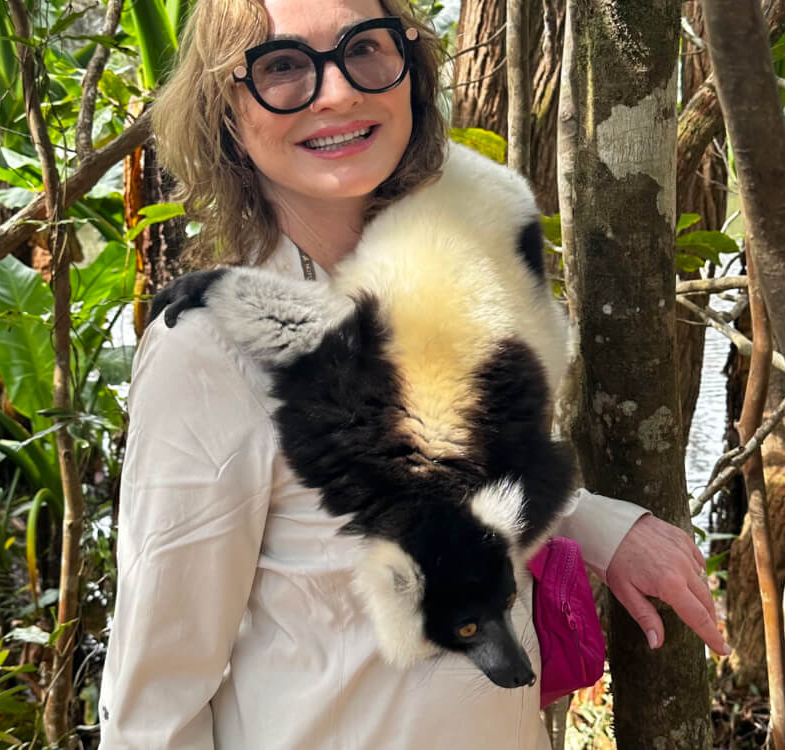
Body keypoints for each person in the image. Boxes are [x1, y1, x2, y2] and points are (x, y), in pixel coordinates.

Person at [98, 1, 730, 748]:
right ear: (227, 113)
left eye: (363, 49)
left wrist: (597, 524)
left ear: (411, 75)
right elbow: (155, 700)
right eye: (281, 67)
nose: (336, 92)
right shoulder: (208, 355)